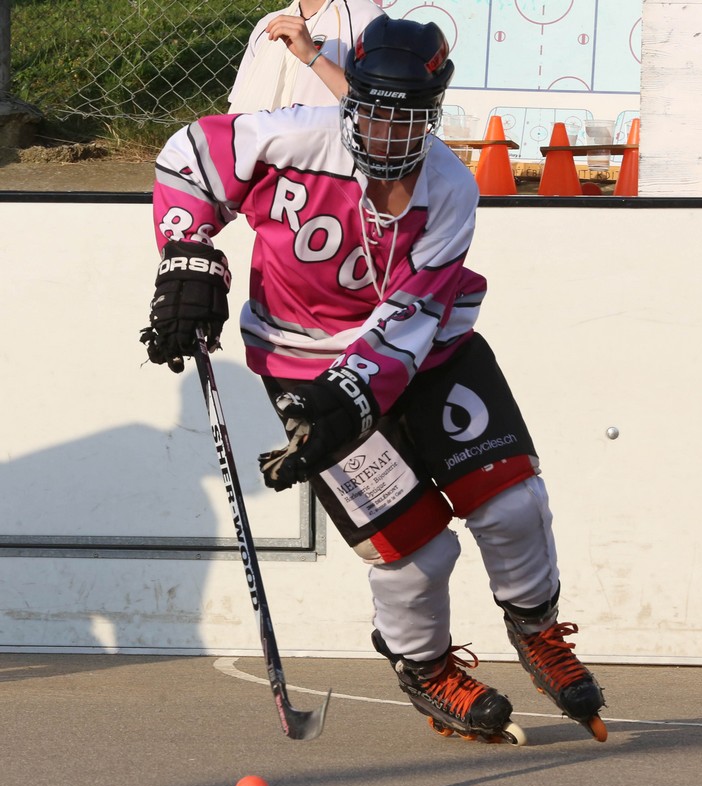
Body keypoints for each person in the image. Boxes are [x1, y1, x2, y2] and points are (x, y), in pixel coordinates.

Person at [141, 16, 607, 745]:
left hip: (430, 353)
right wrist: (187, 252)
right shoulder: (293, 136)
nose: (387, 137)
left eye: (409, 119)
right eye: (373, 114)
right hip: (304, 363)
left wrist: (352, 394)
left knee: (513, 503)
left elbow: (412, 315)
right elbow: (190, 156)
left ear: (435, 112)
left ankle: (536, 629)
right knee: (419, 552)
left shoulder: (450, 189)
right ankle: (426, 669)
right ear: (349, 99)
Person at [229, 0, 384, 112]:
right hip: (261, 146)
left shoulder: (367, 19)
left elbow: (380, 108)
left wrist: (313, 57)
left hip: (328, 147)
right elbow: (239, 108)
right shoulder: (266, 25)